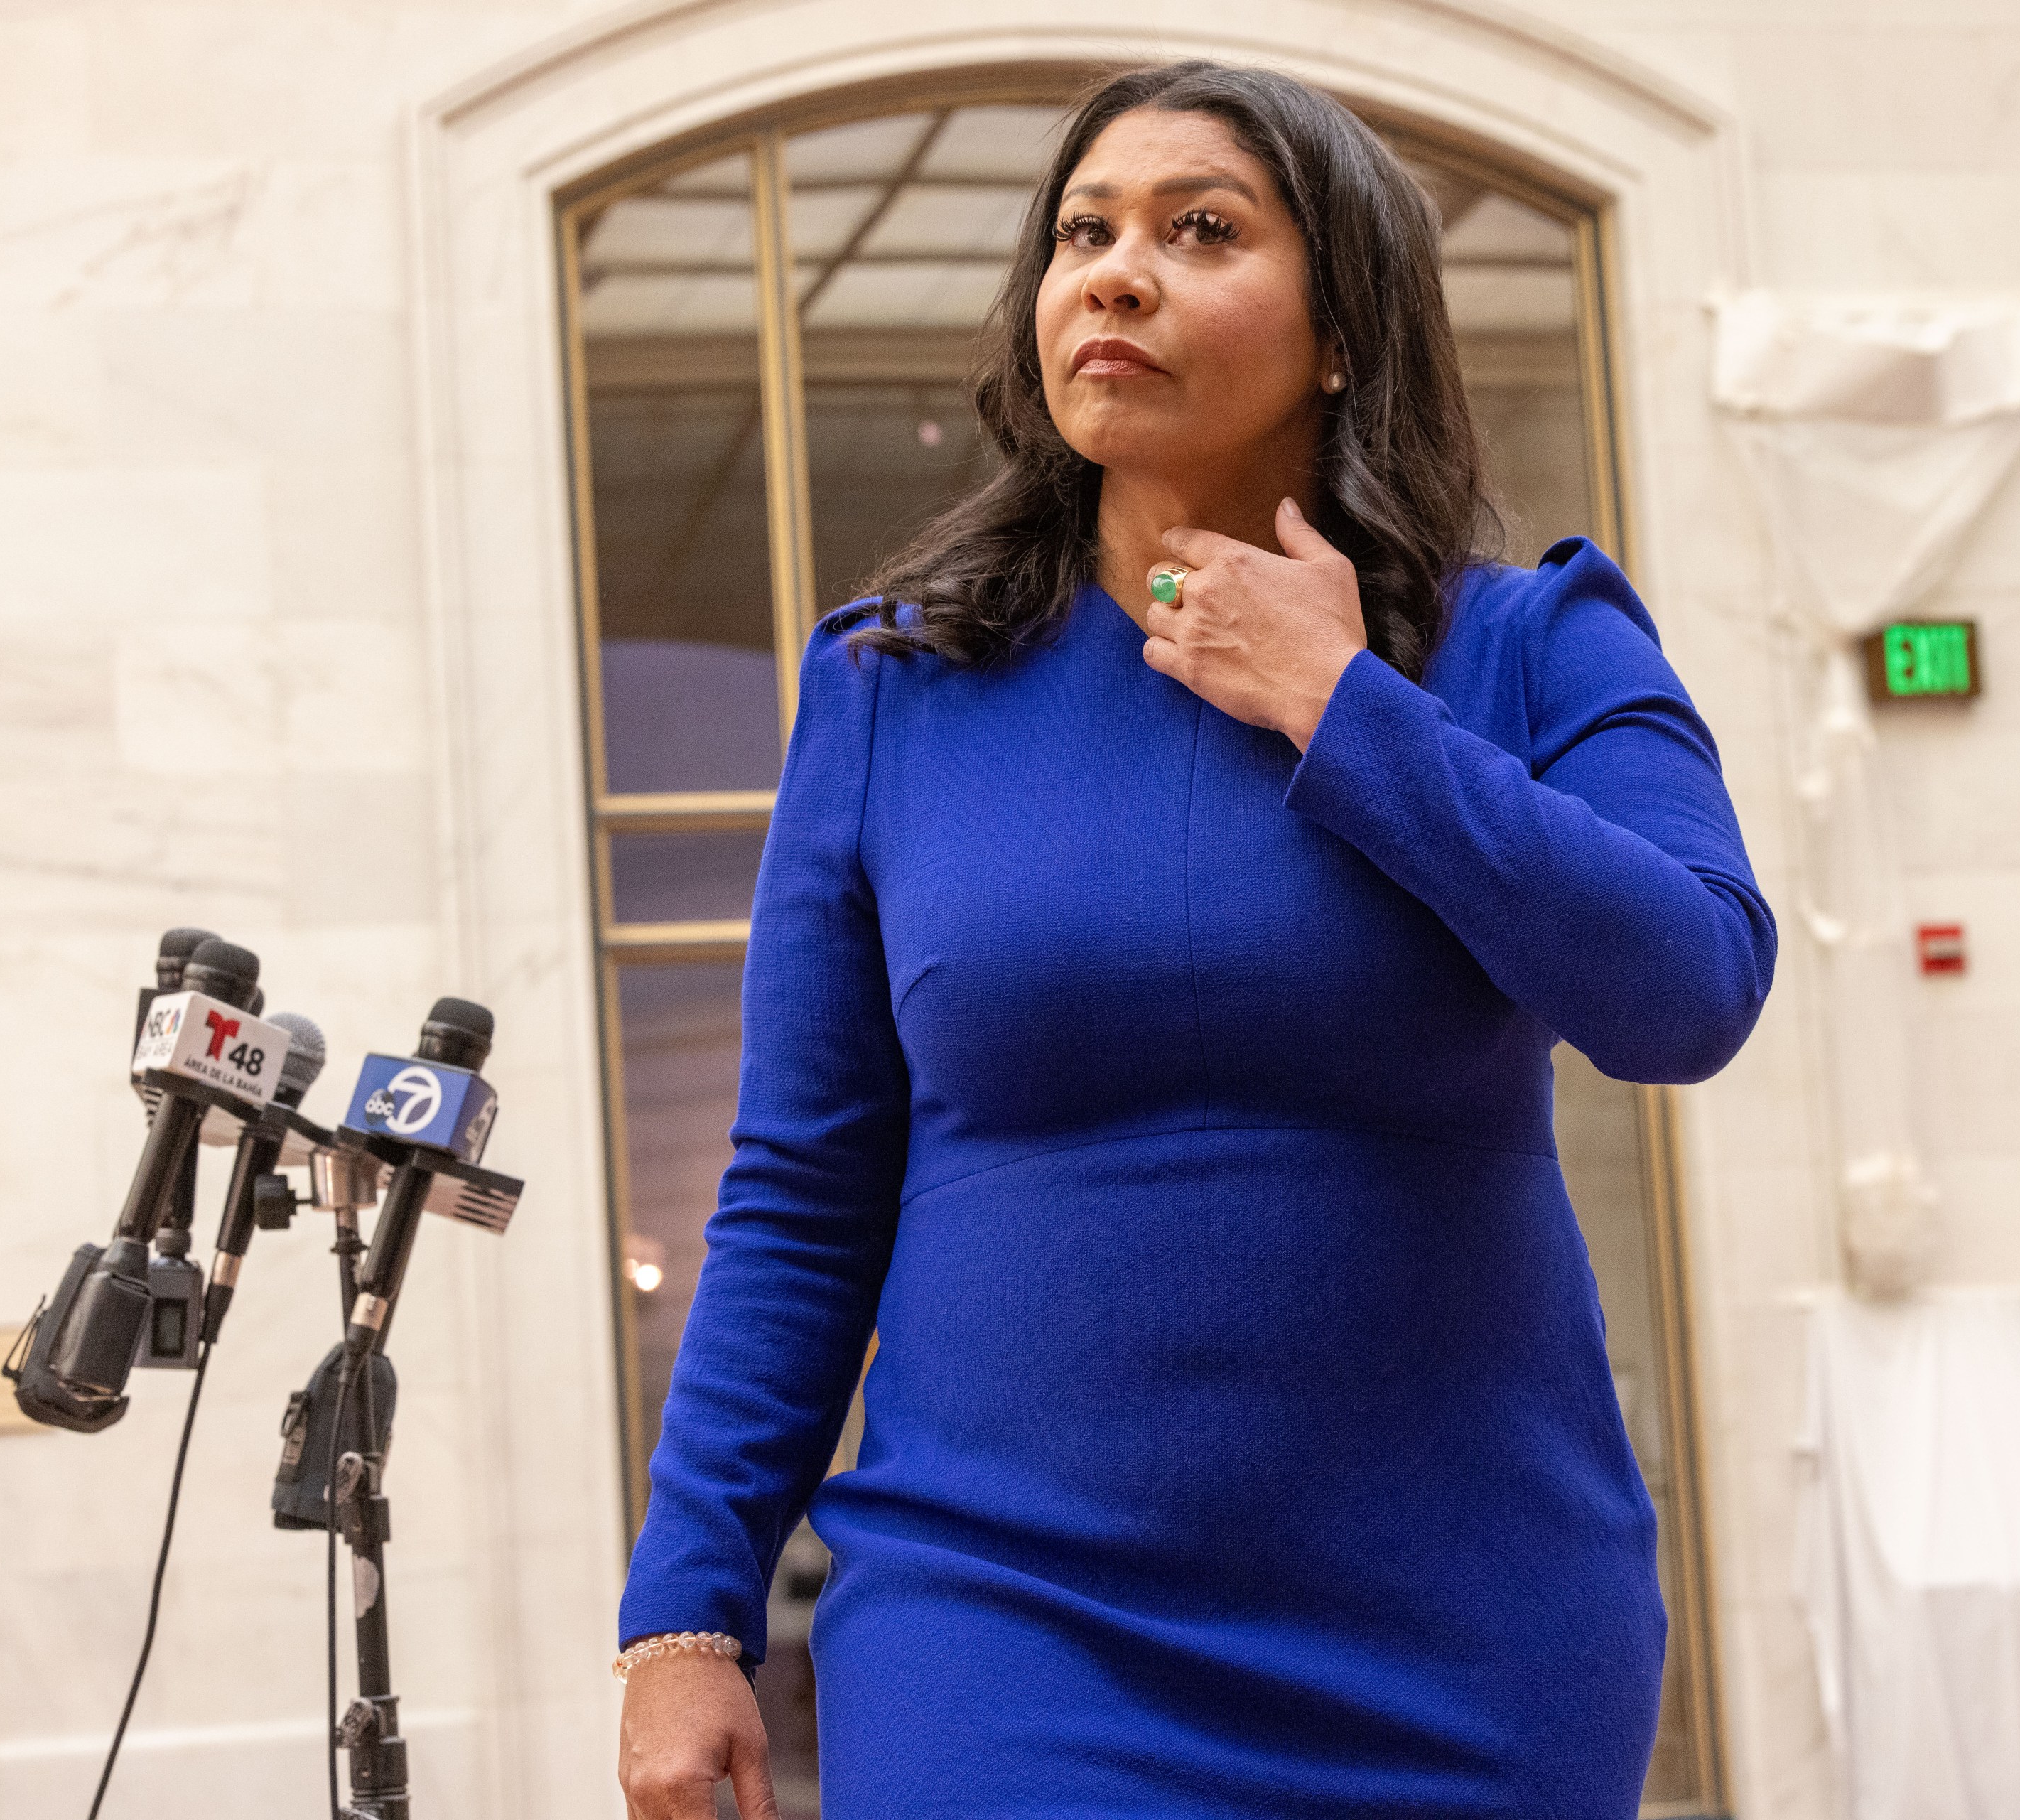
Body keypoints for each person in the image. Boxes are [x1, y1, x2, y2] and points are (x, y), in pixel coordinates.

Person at [613, 59, 1776, 1820]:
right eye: (1084, 232)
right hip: (1001, 1622)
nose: (1116, 270)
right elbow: (800, 1187)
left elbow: (1689, 991)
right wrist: (686, 1615)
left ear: (1339, 335)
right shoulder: (893, 692)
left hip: (1462, 1640)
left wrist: (1343, 708)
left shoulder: (1534, 647)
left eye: (1200, 228)